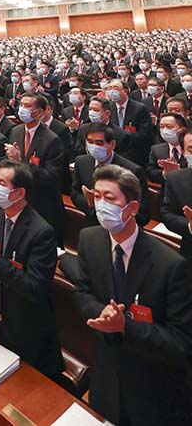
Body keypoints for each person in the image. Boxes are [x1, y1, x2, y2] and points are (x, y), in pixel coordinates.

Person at [75, 165, 192, 426]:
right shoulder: (89, 239)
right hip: (105, 375)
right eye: (97, 196)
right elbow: (83, 293)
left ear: (133, 208)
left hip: (151, 385)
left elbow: (182, 344)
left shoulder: (171, 266)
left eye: (110, 198)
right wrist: (101, 315)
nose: (101, 204)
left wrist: (125, 326)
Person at [0, 161, 64, 382]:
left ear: (19, 193)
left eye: (2, 183)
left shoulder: (41, 233)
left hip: (27, 330)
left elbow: (35, 287)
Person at [4, 92, 65, 241]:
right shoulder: (16, 131)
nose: (22, 109)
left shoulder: (52, 140)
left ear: (39, 112)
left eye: (27, 106)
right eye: (21, 105)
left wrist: (22, 162)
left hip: (42, 203)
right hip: (19, 198)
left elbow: (51, 177)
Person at [71, 122, 150, 228]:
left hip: (122, 228)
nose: (94, 147)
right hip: (92, 227)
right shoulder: (81, 162)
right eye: (90, 142)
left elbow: (143, 215)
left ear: (112, 144)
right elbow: (75, 194)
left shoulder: (133, 171)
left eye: (99, 143)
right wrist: (91, 203)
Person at [161, 129, 192, 260]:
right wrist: (189, 225)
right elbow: (167, 214)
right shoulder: (175, 179)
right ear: (184, 153)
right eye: (191, 149)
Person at [146, 112, 189, 186]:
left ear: (182, 129)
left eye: (169, 127)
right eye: (162, 127)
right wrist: (164, 173)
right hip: (166, 193)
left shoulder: (189, 148)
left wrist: (178, 172)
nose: (165, 130)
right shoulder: (156, 149)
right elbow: (150, 172)